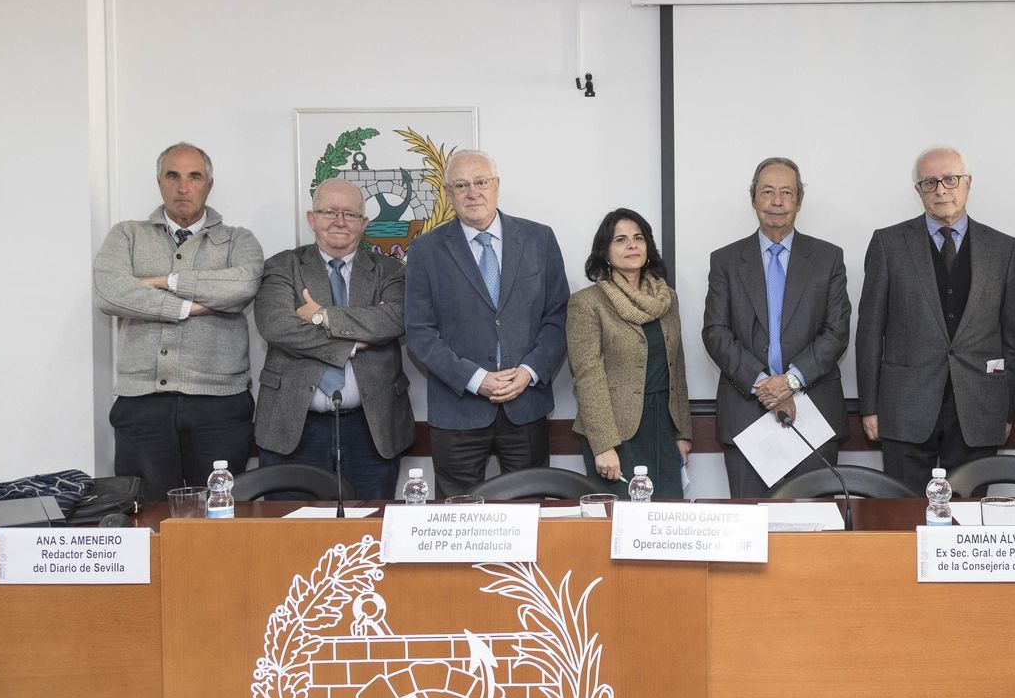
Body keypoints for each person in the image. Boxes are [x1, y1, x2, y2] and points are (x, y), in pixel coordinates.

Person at [93, 142, 264, 500]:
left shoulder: (237, 239)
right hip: (141, 402)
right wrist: (188, 307)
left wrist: (162, 281)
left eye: (194, 177)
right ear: (159, 182)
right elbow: (108, 293)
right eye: (173, 176)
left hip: (219, 403)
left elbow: (243, 286)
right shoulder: (127, 235)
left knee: (219, 513)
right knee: (145, 512)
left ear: (209, 184)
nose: (183, 187)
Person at [856, 146, 1015, 493]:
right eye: (929, 182)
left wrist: (1006, 411)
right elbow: (870, 332)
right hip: (904, 408)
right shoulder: (888, 244)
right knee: (902, 513)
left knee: (968, 516)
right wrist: (869, 407)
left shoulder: (1003, 248)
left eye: (950, 179)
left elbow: (1011, 338)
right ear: (918, 190)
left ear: (968, 183)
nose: (941, 190)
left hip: (979, 408)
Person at [404, 150, 568, 497]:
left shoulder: (539, 239)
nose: (472, 192)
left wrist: (528, 372)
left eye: (480, 182)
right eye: (461, 185)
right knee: (458, 517)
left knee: (529, 510)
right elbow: (419, 332)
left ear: (496, 185)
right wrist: (476, 379)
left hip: (525, 406)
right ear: (448, 194)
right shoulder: (424, 250)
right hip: (457, 411)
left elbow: (558, 316)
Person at [251, 179, 414, 499]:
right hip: (292, 426)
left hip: (372, 429)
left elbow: (394, 320)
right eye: (329, 212)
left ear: (364, 224)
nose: (340, 221)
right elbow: (277, 326)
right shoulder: (282, 266)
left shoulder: (390, 270)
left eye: (350, 214)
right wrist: (353, 343)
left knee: (368, 524)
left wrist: (321, 316)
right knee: (290, 525)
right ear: (312, 219)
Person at [703, 158, 851, 498]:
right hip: (746, 415)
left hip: (813, 413)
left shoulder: (828, 258)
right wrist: (764, 386)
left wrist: (790, 382)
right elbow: (715, 331)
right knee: (751, 523)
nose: (777, 202)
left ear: (799, 201)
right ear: (753, 198)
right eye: (767, 192)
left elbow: (837, 330)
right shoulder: (725, 261)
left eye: (787, 192)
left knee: (816, 521)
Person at [566, 209, 693, 499]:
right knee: (621, 519)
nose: (632, 245)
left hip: (664, 427)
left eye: (638, 238)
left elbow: (677, 366)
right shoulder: (587, 303)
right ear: (605, 252)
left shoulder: (667, 298)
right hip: (616, 433)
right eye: (620, 240)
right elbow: (587, 377)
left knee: (667, 517)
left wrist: (683, 432)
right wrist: (603, 444)